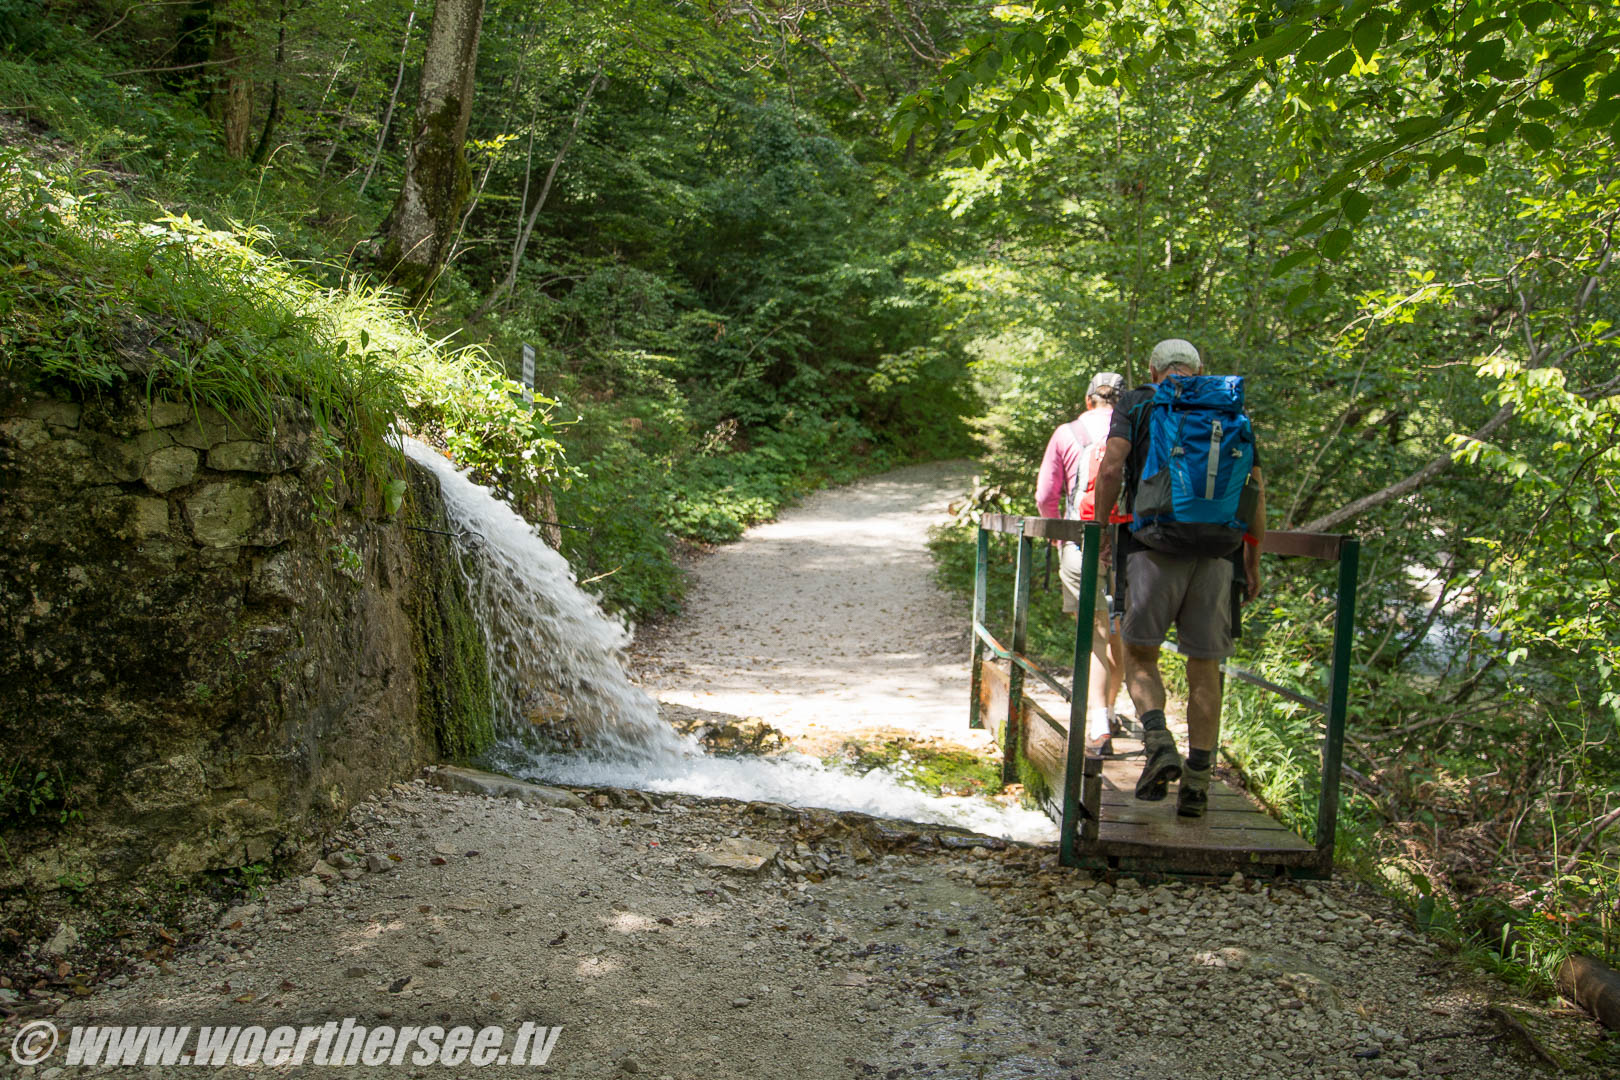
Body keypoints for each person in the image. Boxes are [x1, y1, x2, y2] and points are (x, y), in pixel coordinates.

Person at [1092, 339, 1266, 818]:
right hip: (1218, 556)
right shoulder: (1227, 406)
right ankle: (1198, 786)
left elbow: (1111, 467)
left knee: (1141, 655)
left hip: (1152, 549)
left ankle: (1158, 739)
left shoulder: (1138, 401)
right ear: (1200, 369)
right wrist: (1251, 561)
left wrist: (1103, 527)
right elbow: (1255, 489)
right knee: (1205, 667)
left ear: (1151, 369)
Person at [1035, 371, 1128, 753]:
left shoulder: (1066, 433)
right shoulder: (1134, 429)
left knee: (1093, 634)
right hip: (1128, 544)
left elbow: (1045, 496)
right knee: (1120, 631)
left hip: (1079, 541)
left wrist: (1060, 538)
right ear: (1121, 402)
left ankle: (1098, 725)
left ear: (1089, 400)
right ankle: (1108, 708)